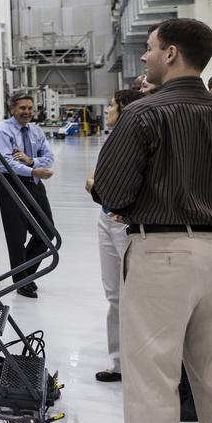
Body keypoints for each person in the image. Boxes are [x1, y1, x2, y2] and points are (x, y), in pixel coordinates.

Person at [91, 19, 212, 423]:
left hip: (162, 255)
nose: (144, 57)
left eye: (151, 48)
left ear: (172, 53)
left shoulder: (144, 113)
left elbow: (112, 191)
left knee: (152, 390)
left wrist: (116, 197)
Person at [85, 89, 143, 383]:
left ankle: (136, 362)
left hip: (125, 223)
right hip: (107, 217)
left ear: (124, 111)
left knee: (131, 294)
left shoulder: (137, 142)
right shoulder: (111, 141)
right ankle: (119, 362)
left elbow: (100, 183)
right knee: (114, 294)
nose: (106, 110)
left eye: (110, 106)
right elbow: (95, 182)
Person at [0, 93, 56, 297]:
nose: (27, 112)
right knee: (16, 237)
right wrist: (33, 169)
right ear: (12, 109)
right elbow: (4, 162)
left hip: (35, 185)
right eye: (22, 108)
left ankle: (25, 274)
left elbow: (49, 157)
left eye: (30, 108)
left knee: (47, 232)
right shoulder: (3, 130)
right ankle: (22, 282)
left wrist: (30, 162)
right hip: (13, 186)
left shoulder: (36, 131)